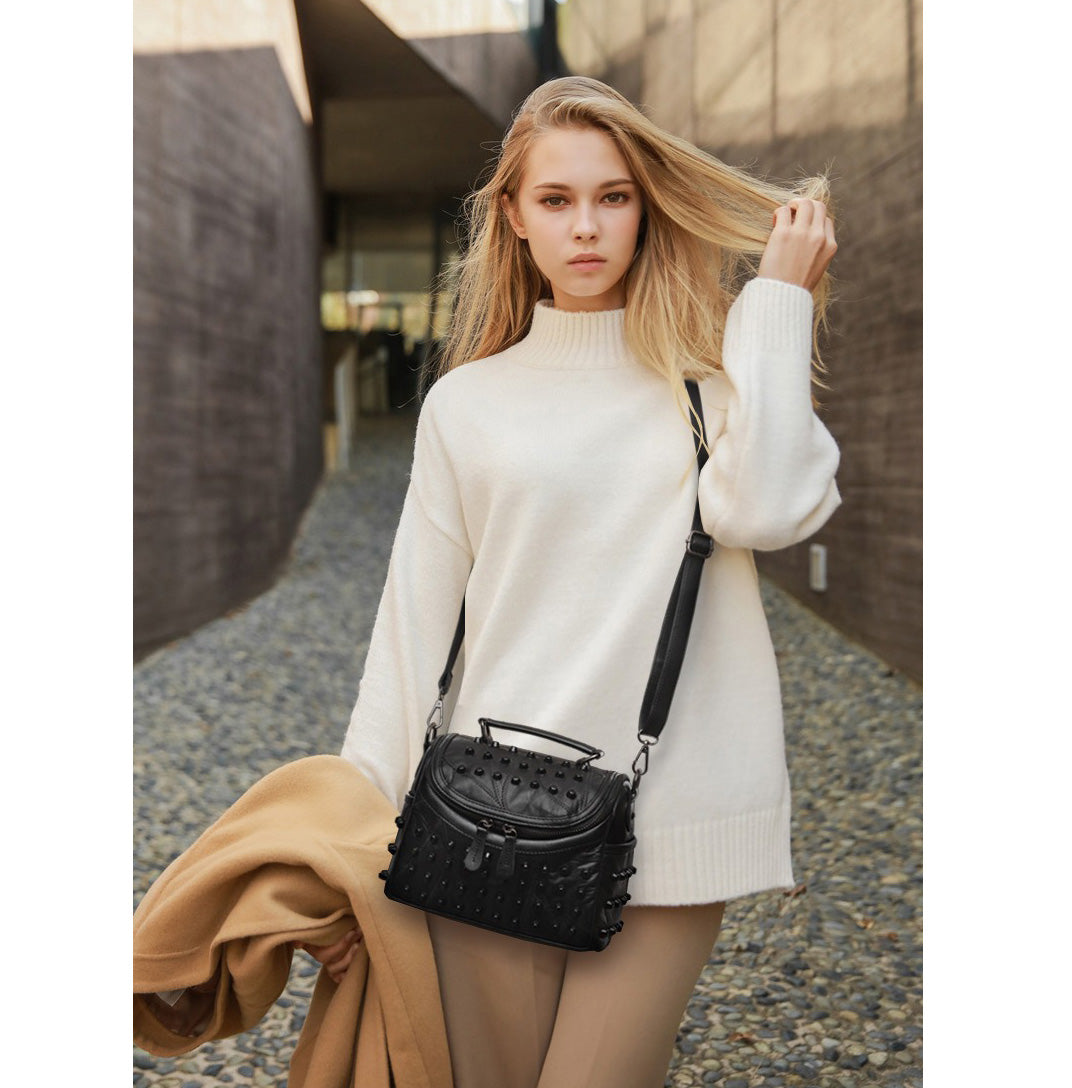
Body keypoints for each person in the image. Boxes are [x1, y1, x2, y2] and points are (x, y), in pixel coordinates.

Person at [315, 75, 841, 1088]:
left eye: (613, 196)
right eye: (555, 200)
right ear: (511, 217)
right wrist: (348, 846)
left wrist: (775, 305)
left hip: (675, 810)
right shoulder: (465, 406)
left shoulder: (711, 387)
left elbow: (768, 510)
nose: (586, 226)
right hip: (482, 812)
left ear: (646, 207)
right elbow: (411, 635)